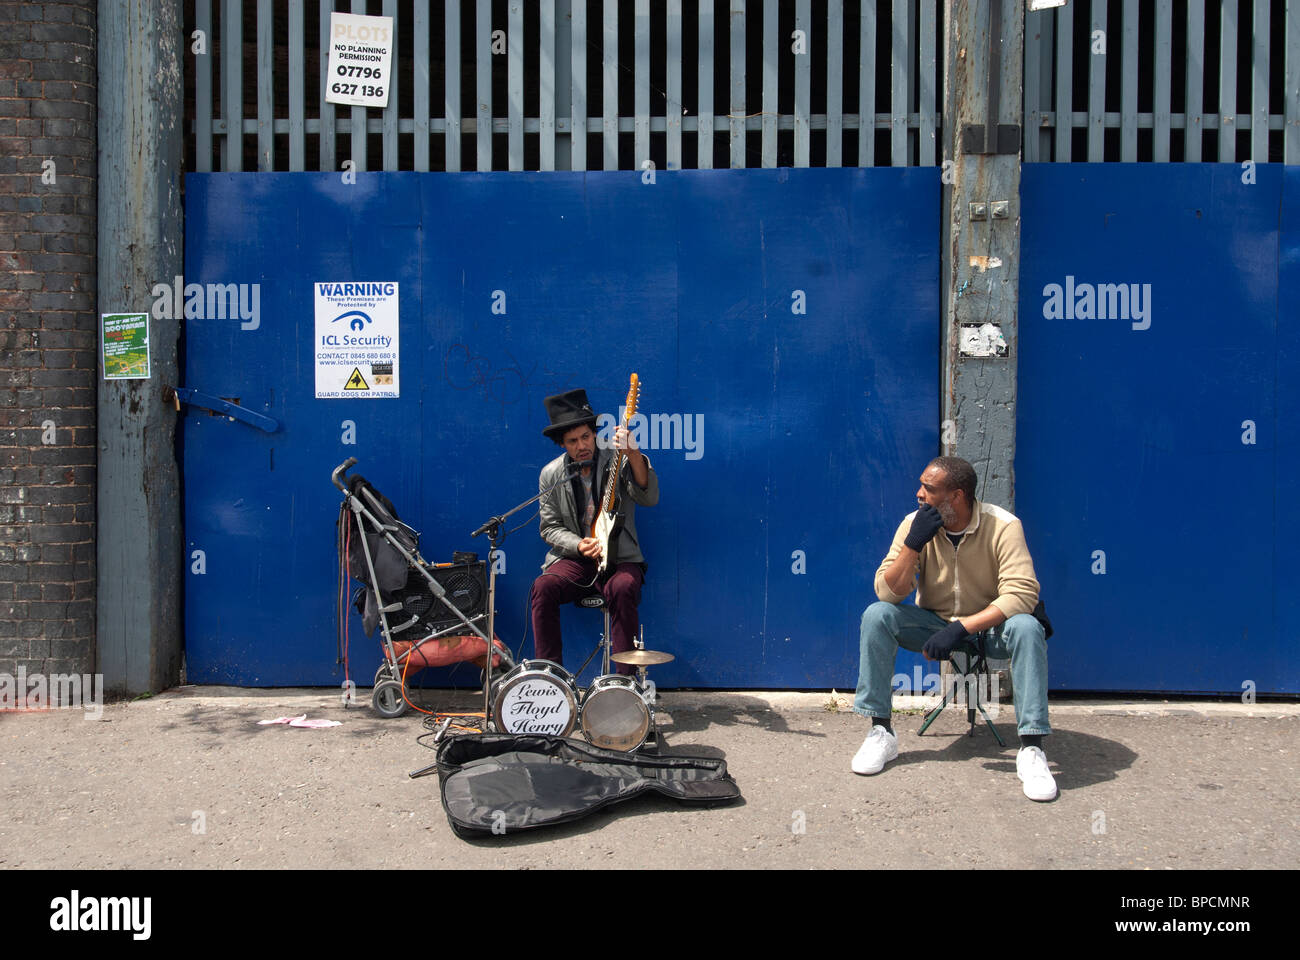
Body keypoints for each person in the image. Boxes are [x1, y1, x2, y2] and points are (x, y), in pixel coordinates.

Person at [852, 456, 1058, 801]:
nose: (919, 494)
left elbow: (1022, 593)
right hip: (933, 624)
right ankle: (881, 732)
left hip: (991, 627)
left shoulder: (1002, 525)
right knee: (877, 615)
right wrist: (913, 544)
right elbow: (887, 593)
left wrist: (963, 628)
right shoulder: (913, 524)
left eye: (929, 489)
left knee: (1026, 627)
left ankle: (1032, 749)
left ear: (957, 497)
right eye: (920, 486)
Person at [530, 388, 659, 676]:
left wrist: (633, 453)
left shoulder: (617, 458)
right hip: (578, 560)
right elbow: (549, 527)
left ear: (594, 433)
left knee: (623, 587)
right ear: (562, 444)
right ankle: (550, 679)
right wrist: (578, 545)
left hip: (620, 558)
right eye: (573, 441)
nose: (582, 445)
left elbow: (648, 497)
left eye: (586, 436)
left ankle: (624, 684)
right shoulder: (550, 475)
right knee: (543, 588)